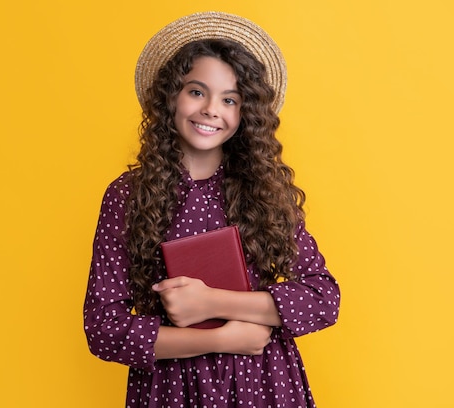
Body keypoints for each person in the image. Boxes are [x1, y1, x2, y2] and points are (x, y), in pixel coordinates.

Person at [83, 11, 340, 408]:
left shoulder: (265, 190)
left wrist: (212, 302)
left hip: (265, 386)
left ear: (245, 113)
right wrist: (219, 338)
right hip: (172, 390)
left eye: (230, 99)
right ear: (171, 96)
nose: (211, 110)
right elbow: (103, 328)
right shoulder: (127, 196)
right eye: (197, 92)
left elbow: (323, 299)